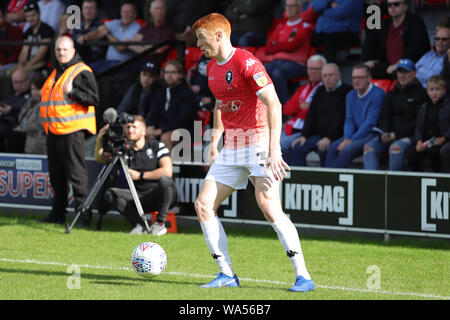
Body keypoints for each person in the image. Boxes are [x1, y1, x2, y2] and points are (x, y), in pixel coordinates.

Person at [192, 13, 315, 292]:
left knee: (268, 206)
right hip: (232, 147)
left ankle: (303, 276)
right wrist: (215, 141)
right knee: (203, 205)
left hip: (259, 142)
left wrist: (274, 149)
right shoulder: (212, 68)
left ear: (219, 35)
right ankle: (226, 274)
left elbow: (274, 103)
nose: (198, 45)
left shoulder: (248, 62)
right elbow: (221, 105)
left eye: (201, 38)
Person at [39, 36, 99, 225]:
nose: (61, 53)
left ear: (73, 50)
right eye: (58, 50)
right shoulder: (57, 71)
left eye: (65, 50)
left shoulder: (81, 71)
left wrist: (72, 91)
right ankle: (57, 214)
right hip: (54, 130)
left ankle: (83, 216)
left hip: (72, 131)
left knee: (76, 175)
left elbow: (93, 98)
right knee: (56, 176)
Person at [95, 115, 178, 235]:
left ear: (143, 131)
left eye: (134, 126)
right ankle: (140, 225)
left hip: (160, 195)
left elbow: (167, 171)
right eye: (128, 127)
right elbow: (100, 159)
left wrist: (140, 175)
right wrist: (99, 139)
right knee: (110, 193)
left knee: (165, 180)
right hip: (138, 197)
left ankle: (160, 223)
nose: (130, 130)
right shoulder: (124, 150)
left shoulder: (156, 146)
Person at [363, 58, 427, 171]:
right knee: (369, 147)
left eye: (406, 72)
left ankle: (394, 186)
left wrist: (396, 135)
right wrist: (386, 133)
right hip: (391, 134)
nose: (402, 75)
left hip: (411, 136)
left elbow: (419, 122)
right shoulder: (392, 93)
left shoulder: (421, 93)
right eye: (400, 72)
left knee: (396, 148)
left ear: (414, 74)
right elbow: (384, 117)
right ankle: (372, 185)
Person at [289, 63, 352, 166]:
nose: (327, 78)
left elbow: (341, 118)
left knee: (323, 148)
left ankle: (324, 180)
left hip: (337, 136)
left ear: (339, 75)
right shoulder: (320, 90)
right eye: (325, 76)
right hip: (318, 135)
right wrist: (305, 135)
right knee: (299, 146)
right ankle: (300, 179)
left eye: (331, 75)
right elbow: (311, 114)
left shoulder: (347, 91)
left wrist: (329, 137)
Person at [325, 64, 385, 168]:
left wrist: (350, 141)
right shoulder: (350, 95)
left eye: (360, 78)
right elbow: (349, 120)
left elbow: (370, 123)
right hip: (355, 134)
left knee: (347, 149)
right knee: (332, 147)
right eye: (354, 78)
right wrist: (347, 138)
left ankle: (335, 180)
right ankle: (326, 179)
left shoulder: (378, 94)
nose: (356, 80)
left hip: (372, 134)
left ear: (369, 79)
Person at [362, 0, 429, 79]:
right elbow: (370, 42)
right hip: (388, 66)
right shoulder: (386, 25)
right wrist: (368, 59)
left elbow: (416, 48)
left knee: (399, 73)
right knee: (365, 71)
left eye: (396, 4)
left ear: (405, 7)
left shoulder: (415, 22)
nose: (392, 7)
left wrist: (398, 64)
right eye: (389, 5)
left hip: (409, 66)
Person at [280, 54, 326, 164]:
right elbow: (286, 109)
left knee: (279, 147)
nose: (313, 72)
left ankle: (289, 176)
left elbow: (313, 113)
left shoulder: (325, 89)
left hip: (307, 131)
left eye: (317, 69)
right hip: (291, 129)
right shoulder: (303, 88)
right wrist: (300, 106)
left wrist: (301, 109)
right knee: (267, 145)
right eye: (310, 68)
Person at [146, 59, 196, 151]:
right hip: (161, 128)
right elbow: (153, 112)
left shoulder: (187, 93)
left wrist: (161, 130)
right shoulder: (160, 91)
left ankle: (167, 165)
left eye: (173, 72)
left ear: (180, 75)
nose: (169, 75)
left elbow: (183, 119)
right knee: (144, 134)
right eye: (167, 72)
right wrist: (150, 126)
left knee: (166, 137)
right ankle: (149, 165)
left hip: (184, 130)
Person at [82, 2, 141, 74]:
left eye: (128, 12)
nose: (125, 14)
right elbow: (100, 31)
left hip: (123, 64)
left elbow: (122, 47)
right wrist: (86, 37)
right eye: (123, 12)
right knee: (85, 70)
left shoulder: (138, 28)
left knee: (100, 73)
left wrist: (108, 33)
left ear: (135, 15)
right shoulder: (116, 22)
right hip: (107, 61)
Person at [407, 75, 450, 173]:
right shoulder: (424, 106)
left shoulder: (448, 105)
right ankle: (418, 180)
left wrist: (444, 138)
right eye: (431, 89)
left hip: (444, 140)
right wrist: (419, 141)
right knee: (411, 155)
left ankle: (438, 179)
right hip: (428, 141)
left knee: (435, 152)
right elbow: (419, 126)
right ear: (427, 91)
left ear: (444, 91)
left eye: (438, 89)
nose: (434, 92)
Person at [127, 0, 175, 68]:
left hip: (153, 64)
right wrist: (149, 48)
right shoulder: (146, 27)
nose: (159, 11)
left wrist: (141, 48)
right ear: (150, 11)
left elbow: (159, 50)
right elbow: (132, 45)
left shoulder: (168, 30)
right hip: (137, 61)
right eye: (157, 8)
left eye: (162, 8)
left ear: (165, 11)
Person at [11, 2, 55, 76]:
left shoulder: (46, 29)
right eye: (28, 16)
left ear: (39, 14)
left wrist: (27, 66)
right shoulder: (28, 31)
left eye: (33, 15)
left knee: (18, 74)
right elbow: (24, 51)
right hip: (30, 63)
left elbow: (41, 54)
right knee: (9, 73)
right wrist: (20, 65)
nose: (31, 18)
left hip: (43, 63)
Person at [13, 73, 47, 154]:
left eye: (38, 89)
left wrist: (22, 128)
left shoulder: (46, 104)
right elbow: (21, 116)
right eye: (33, 89)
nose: (35, 92)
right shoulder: (30, 101)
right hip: (30, 144)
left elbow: (39, 123)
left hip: (41, 145)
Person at [0, 66, 31, 153]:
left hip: (16, 125)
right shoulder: (11, 95)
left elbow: (27, 111)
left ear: (27, 81)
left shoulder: (31, 95)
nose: (18, 85)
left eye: (20, 82)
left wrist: (12, 110)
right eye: (15, 82)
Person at [72, 0, 108, 65]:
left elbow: (100, 32)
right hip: (77, 61)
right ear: (82, 11)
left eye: (91, 8)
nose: (88, 11)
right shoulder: (78, 25)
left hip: (95, 62)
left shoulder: (101, 25)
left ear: (96, 11)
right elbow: (75, 38)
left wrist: (85, 38)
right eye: (86, 8)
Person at [0, 7, 24, 76]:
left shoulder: (16, 31)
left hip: (16, 63)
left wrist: (3, 62)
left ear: (5, 18)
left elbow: (18, 54)